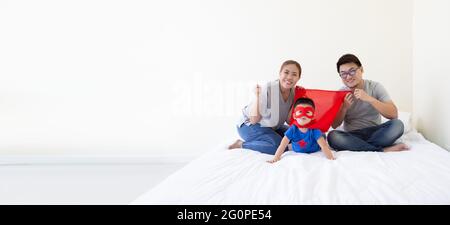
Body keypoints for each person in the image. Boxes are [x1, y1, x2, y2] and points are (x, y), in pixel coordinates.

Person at [327, 54, 409, 152]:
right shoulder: (340, 93)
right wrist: (344, 107)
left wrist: (369, 99)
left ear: (361, 70)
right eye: (343, 74)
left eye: (352, 71)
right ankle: (381, 150)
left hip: (376, 132)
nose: (348, 77)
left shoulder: (375, 87)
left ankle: (362, 147)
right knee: (332, 136)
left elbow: (393, 114)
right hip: (353, 135)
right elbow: (334, 125)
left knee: (398, 125)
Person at [228, 60, 303, 155]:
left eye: (294, 74)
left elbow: (289, 120)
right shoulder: (269, 88)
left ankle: (270, 139)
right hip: (249, 126)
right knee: (280, 147)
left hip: (271, 127)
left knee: (299, 135)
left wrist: (297, 99)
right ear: (280, 74)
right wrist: (258, 96)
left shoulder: (294, 92)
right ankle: (241, 144)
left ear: (298, 78)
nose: (289, 77)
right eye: (286, 72)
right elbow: (254, 120)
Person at [267, 98, 335, 163]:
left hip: (314, 148)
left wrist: (331, 158)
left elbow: (324, 146)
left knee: (321, 136)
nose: (303, 115)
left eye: (307, 112)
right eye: (300, 111)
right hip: (297, 148)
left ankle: (322, 135)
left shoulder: (314, 130)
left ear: (313, 116)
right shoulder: (292, 129)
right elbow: (283, 145)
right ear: (294, 116)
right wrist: (276, 157)